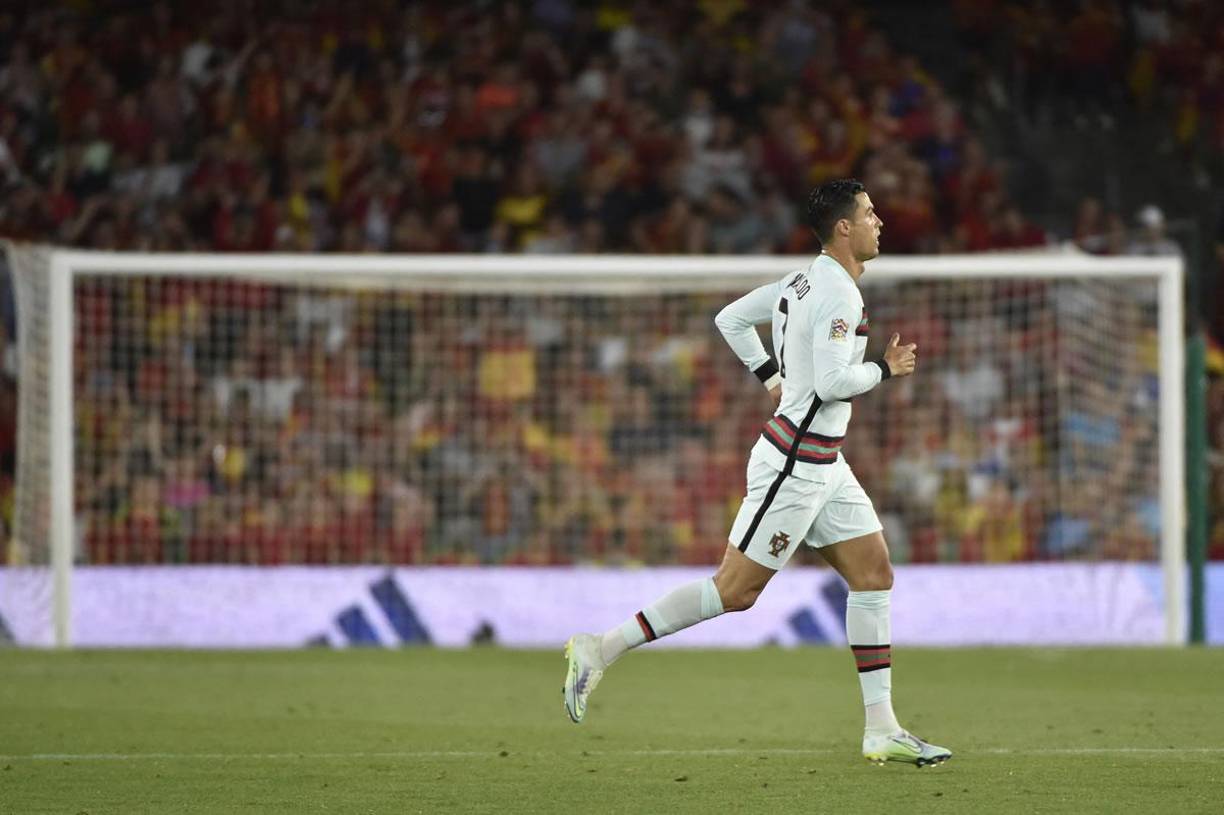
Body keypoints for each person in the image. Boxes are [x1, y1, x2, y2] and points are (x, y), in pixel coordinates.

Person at [562, 178, 952, 768]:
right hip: (794, 463)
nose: (880, 222)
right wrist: (886, 368)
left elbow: (730, 320)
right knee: (733, 591)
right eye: (870, 214)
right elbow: (831, 384)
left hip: (826, 461)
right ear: (843, 228)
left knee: (873, 573)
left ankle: (882, 728)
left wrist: (770, 378)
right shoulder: (838, 294)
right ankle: (601, 648)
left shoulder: (800, 282)